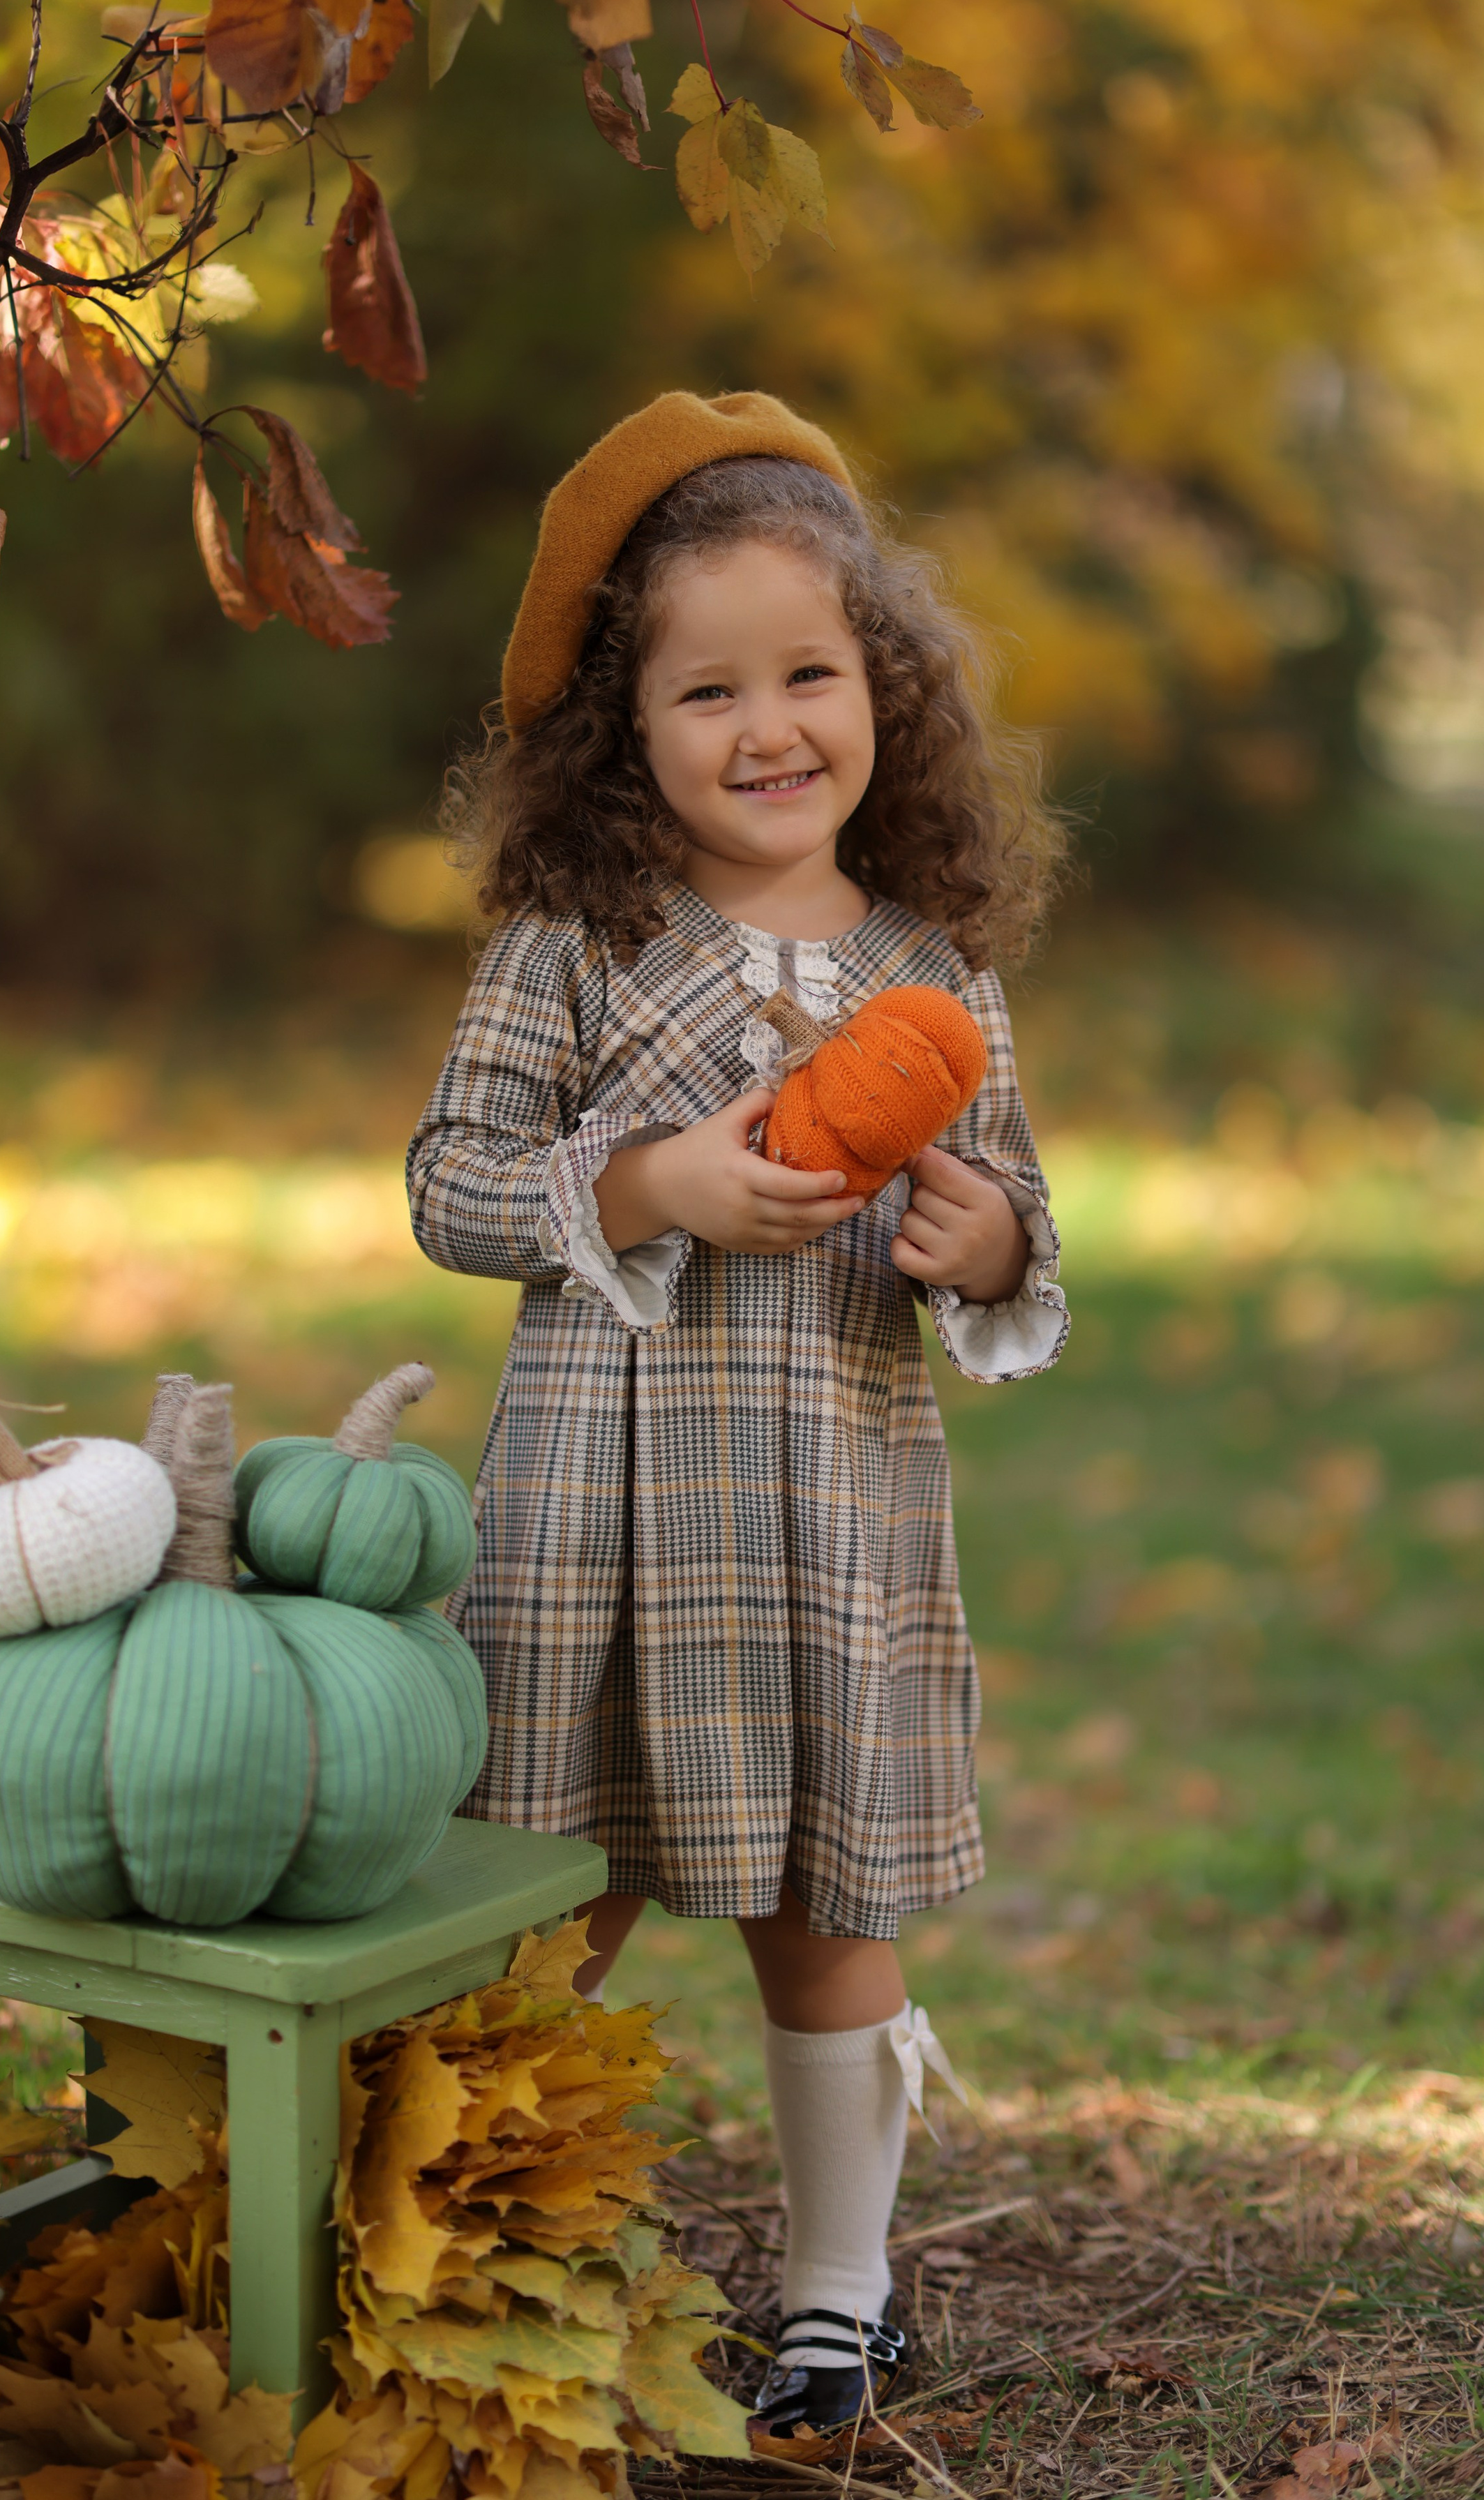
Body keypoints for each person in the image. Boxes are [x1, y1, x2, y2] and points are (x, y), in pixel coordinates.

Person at [407, 391, 1069, 2443]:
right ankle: (473, 2256)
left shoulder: (930, 975)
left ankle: (840, 2303)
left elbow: (1024, 1214)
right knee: (543, 1913)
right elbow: (448, 1180)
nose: (768, 725)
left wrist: (976, 1241)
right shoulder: (578, 945)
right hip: (597, 1526)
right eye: (709, 689)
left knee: (825, 1916)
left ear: (887, 692)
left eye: (811, 673)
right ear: (628, 730)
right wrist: (646, 1184)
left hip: (834, 1518)